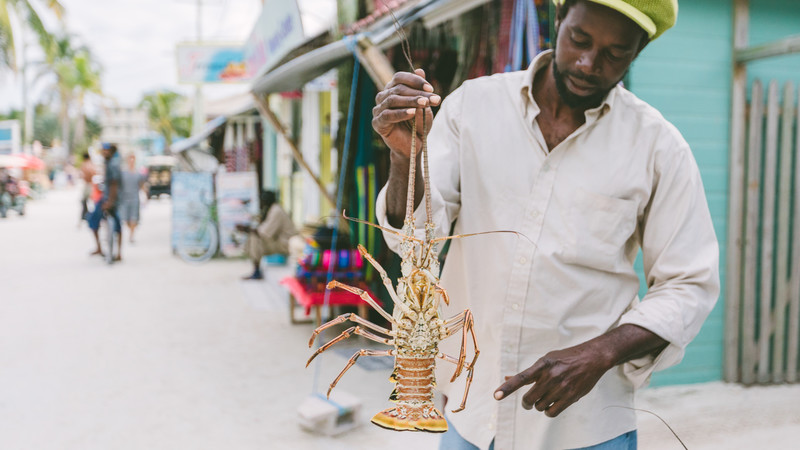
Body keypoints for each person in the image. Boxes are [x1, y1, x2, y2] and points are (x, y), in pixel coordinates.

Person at [372, 1, 719, 449]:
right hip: (470, 417)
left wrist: (601, 352)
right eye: (579, 39)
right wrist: (405, 157)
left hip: (587, 426)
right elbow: (415, 241)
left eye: (615, 53)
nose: (588, 63)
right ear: (560, 17)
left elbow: (689, 284)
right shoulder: (472, 108)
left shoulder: (659, 147)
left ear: (638, 52)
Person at [237, 191, 300, 280]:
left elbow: (263, 232)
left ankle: (257, 271)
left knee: (255, 238)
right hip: (280, 240)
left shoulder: (276, 210)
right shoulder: (272, 209)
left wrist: (246, 229)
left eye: (262, 201)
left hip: (286, 243)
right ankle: (256, 268)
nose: (261, 203)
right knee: (253, 237)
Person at [88, 143, 123, 260]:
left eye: (106, 150)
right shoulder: (109, 163)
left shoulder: (113, 164)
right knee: (96, 220)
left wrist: (110, 201)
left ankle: (117, 252)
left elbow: (114, 184)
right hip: (108, 197)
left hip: (111, 199)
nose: (104, 152)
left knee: (113, 224)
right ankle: (101, 248)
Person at [119, 153, 146, 243]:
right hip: (125, 198)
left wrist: (145, 196)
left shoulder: (138, 173)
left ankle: (131, 235)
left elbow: (142, 185)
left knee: (134, 217)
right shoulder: (123, 173)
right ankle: (130, 230)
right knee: (126, 219)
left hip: (135, 198)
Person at [78, 152, 96, 224]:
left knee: (86, 201)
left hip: (88, 184)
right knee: (87, 201)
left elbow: (85, 174)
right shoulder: (90, 164)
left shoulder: (85, 164)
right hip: (90, 184)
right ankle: (86, 215)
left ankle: (87, 216)